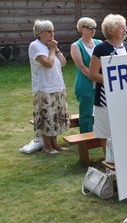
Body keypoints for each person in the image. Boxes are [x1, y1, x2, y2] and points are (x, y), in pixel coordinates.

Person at [88, 14, 127, 151]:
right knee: (106, 130)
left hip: (125, 96)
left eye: (126, 27)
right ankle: (108, 162)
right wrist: (113, 81)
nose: (125, 30)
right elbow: (93, 74)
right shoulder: (101, 48)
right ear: (111, 31)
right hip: (105, 96)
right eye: (121, 28)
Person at [28, 20, 69, 153]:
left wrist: (56, 50)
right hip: (44, 88)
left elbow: (63, 63)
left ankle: (55, 144)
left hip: (58, 85)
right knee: (47, 115)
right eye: (49, 31)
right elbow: (48, 64)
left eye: (53, 31)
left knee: (56, 115)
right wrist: (52, 50)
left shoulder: (50, 47)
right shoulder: (35, 46)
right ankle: (47, 146)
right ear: (39, 33)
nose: (52, 34)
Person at [70, 17, 100, 133]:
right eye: (90, 28)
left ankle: (99, 135)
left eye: (94, 28)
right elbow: (81, 67)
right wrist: (95, 77)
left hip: (99, 84)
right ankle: (85, 139)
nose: (93, 30)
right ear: (82, 29)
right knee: (86, 114)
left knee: (100, 112)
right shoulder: (76, 46)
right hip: (85, 85)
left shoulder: (99, 43)